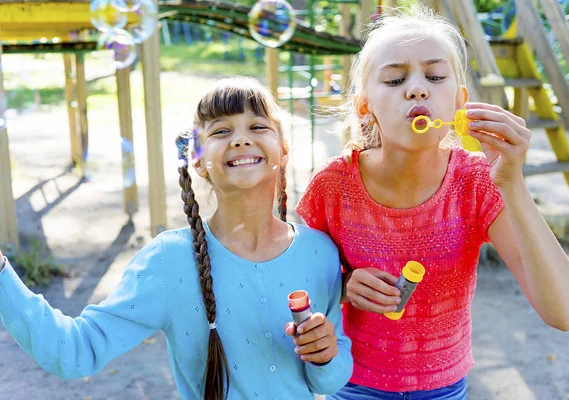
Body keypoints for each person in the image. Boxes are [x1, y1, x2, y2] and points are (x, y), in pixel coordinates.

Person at [0, 77, 352, 400]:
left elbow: (328, 382)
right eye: (220, 131)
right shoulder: (170, 261)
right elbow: (75, 352)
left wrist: (325, 356)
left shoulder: (319, 252)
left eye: (257, 126)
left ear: (284, 149)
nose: (241, 139)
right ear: (197, 161)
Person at [296, 6, 569, 399]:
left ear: (459, 102)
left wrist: (513, 184)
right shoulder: (333, 186)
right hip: (351, 382)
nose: (417, 88)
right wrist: (342, 287)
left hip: (444, 387)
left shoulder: (477, 182)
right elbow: (293, 286)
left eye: (435, 76)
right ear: (366, 108)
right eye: (395, 79)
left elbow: (562, 312)